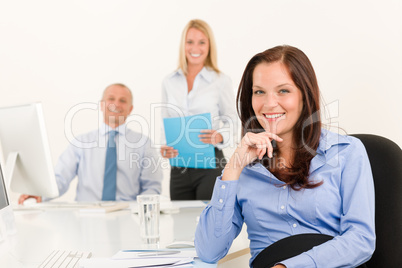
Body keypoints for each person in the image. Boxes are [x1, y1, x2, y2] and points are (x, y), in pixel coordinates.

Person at [194, 45, 375, 267]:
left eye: (283, 91)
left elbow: (361, 240)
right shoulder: (245, 167)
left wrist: (288, 267)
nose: (269, 104)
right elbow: (209, 251)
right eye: (259, 91)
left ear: (304, 96)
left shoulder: (347, 152)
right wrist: (233, 167)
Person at [19, 83, 162, 203]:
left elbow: (152, 187)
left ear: (130, 109)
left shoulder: (144, 144)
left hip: (127, 216)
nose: (116, 104)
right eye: (111, 98)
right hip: (86, 215)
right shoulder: (81, 142)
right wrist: (40, 194)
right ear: (101, 105)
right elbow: (61, 177)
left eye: (123, 100)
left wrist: (141, 213)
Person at [160, 19, 238, 200]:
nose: (195, 48)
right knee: (181, 223)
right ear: (183, 45)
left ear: (209, 46)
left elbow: (233, 120)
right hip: (179, 166)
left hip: (211, 163)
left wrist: (220, 136)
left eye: (202, 42)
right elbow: (165, 119)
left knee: (209, 220)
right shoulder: (169, 82)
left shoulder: (221, 81)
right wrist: (164, 146)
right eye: (190, 42)